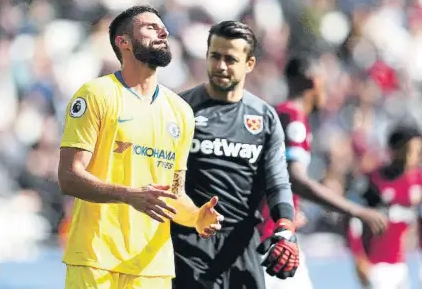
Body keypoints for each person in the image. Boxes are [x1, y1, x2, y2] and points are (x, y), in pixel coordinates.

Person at [58, 5, 224, 289]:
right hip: (96, 258)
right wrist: (128, 195)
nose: (164, 31)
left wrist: (197, 217)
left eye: (163, 27)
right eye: (150, 27)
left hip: (152, 267)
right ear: (123, 42)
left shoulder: (181, 112)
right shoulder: (96, 94)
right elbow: (69, 176)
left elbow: (174, 195)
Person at [171, 21, 298, 289]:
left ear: (249, 64)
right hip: (189, 242)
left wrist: (285, 226)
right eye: (215, 56)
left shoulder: (264, 117)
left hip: (242, 244)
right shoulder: (179, 110)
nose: (220, 66)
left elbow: (277, 181)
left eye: (230, 59)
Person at [259, 57, 390, 289]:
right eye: (325, 82)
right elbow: (296, 179)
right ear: (313, 81)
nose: (328, 90)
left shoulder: (277, 113)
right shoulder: (293, 117)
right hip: (273, 240)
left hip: (270, 234)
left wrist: (290, 207)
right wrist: (356, 210)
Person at [347, 126, 422, 289]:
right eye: (411, 150)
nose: (416, 156)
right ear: (395, 150)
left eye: (419, 150)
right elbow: (353, 220)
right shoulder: (374, 180)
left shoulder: (417, 181)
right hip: (375, 267)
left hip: (401, 266)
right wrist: (359, 257)